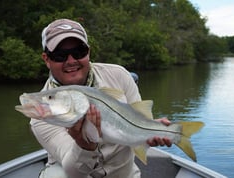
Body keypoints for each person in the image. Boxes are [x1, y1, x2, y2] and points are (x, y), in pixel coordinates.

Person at [30, 18, 172, 178]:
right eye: (60, 55)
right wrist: (85, 146)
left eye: (79, 52)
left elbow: (141, 123)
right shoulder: (42, 112)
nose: (71, 61)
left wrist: (151, 133)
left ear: (88, 52)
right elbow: (73, 171)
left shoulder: (119, 76)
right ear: (46, 59)